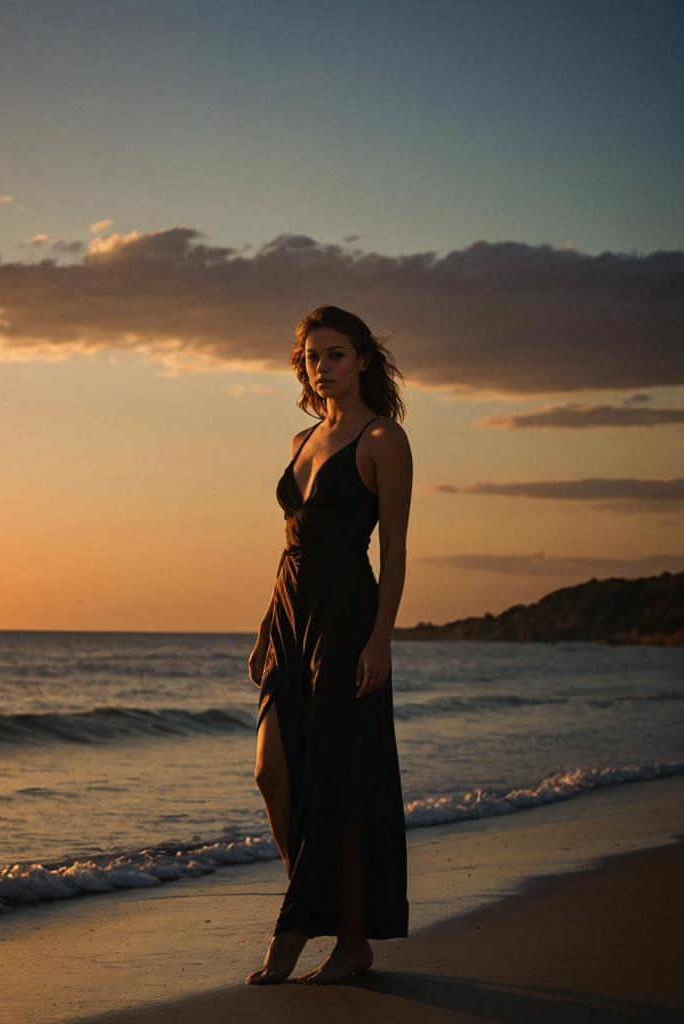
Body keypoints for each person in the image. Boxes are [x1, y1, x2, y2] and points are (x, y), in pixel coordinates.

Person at [245, 304, 412, 985]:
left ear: (363, 360)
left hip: (347, 617)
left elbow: (396, 548)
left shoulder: (382, 439)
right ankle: (312, 905)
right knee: (272, 771)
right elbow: (292, 545)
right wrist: (266, 624)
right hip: (290, 613)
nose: (322, 366)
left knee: (339, 784)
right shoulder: (300, 440)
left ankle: (343, 938)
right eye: (313, 357)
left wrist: (382, 639)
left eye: (336, 354)